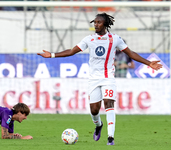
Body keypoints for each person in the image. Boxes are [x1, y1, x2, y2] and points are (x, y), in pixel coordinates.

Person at [37, 13, 162, 145]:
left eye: (98, 22)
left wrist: (149, 63)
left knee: (109, 103)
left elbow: (131, 53)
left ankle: (110, 137)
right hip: (93, 80)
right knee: (94, 110)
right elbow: (71, 51)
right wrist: (51, 55)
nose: (95, 25)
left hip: (108, 78)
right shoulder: (89, 39)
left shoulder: (115, 39)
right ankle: (98, 125)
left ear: (105, 24)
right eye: (94, 22)